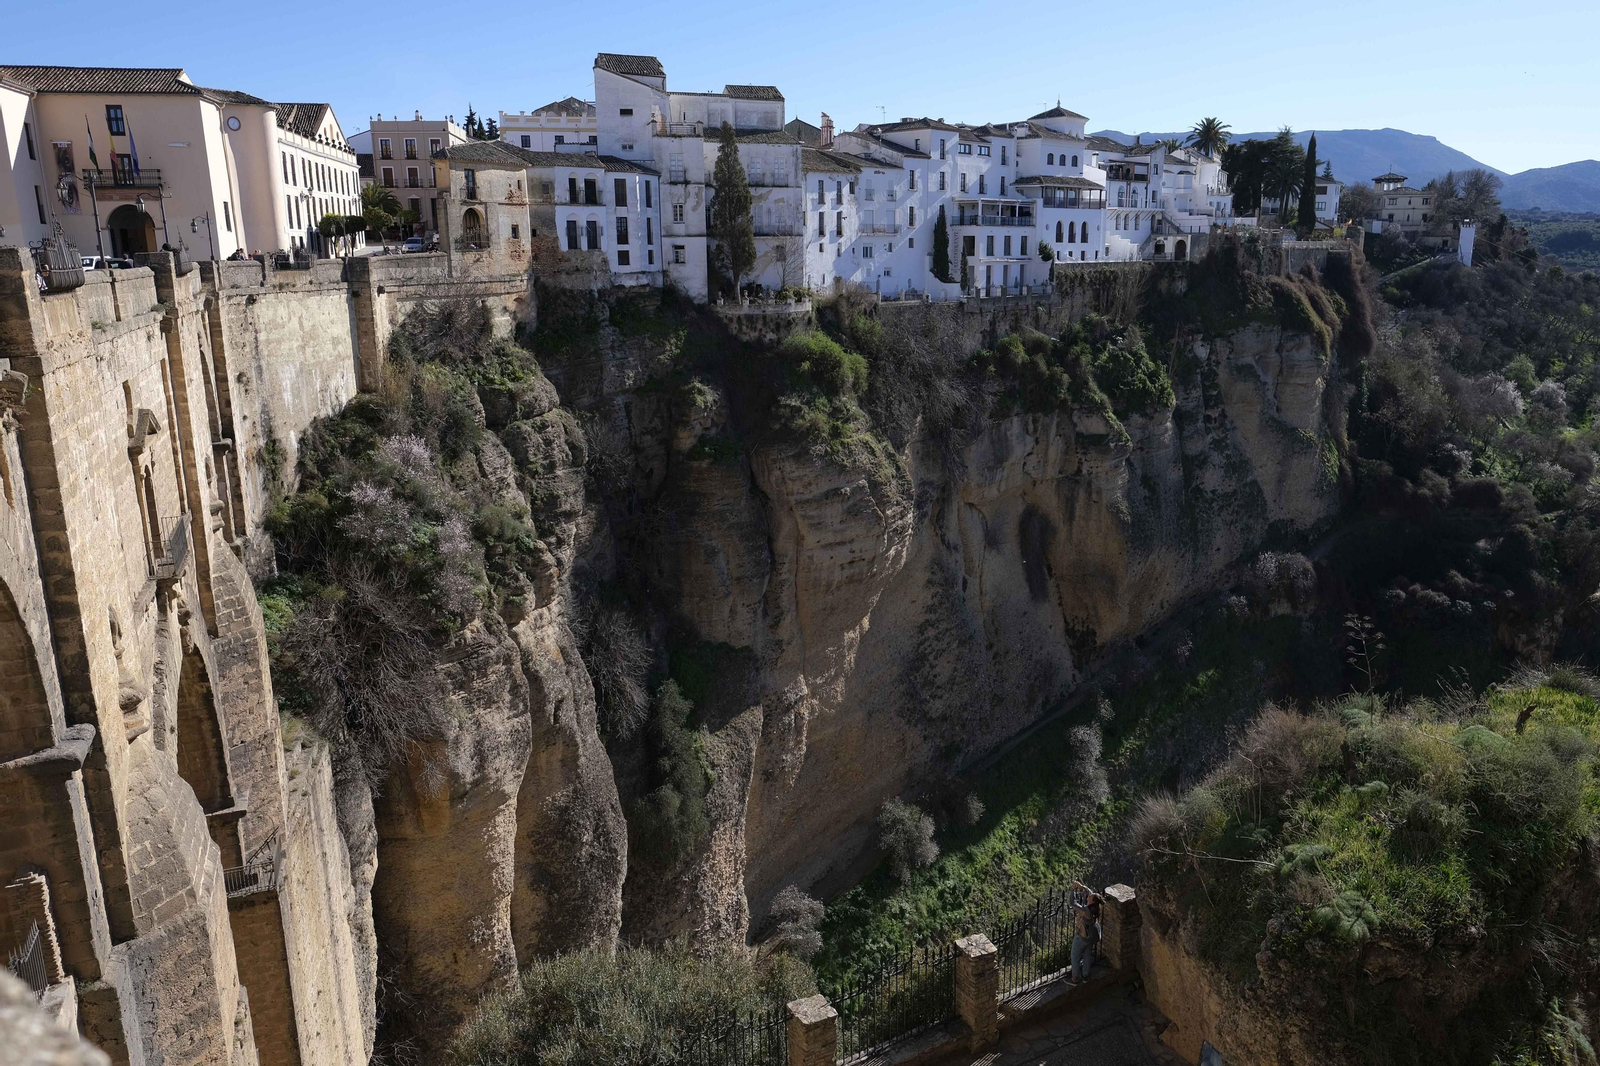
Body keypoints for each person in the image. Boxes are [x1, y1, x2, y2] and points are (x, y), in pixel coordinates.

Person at [1069, 880, 1101, 983]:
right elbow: (1090, 892)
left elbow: (1072, 903)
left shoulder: (1086, 911)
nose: (1088, 897)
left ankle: (1074, 978)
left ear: (1092, 901)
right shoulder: (1096, 908)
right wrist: (1082, 886)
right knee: (1087, 955)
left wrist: (1073, 889)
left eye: (1090, 898)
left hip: (1082, 937)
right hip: (1090, 937)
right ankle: (1085, 975)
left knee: (1075, 956)